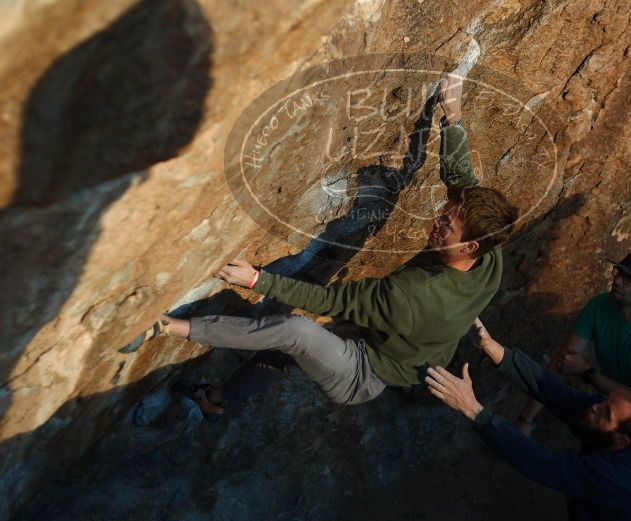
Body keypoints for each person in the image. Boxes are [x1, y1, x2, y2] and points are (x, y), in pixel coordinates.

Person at [122, 73, 518, 413]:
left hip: (364, 375)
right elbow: (461, 181)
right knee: (288, 349)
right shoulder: (489, 249)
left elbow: (334, 301)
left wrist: (259, 281)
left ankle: (166, 326)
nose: (437, 220)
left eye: (447, 225)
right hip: (394, 344)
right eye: (444, 213)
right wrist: (452, 116)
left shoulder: (415, 294)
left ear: (469, 247)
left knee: (297, 333)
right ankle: (218, 400)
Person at [426, 318, 631, 521]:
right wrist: (493, 348)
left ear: (621, 440)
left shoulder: (614, 476)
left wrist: (472, 409)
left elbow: (539, 461)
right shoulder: (619, 430)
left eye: (606, 412)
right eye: (605, 400)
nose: (596, 405)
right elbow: (555, 392)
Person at [517, 250, 631, 521]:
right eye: (619, 272)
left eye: (630, 279)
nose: (618, 281)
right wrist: (526, 419)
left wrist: (587, 372)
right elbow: (563, 362)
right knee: (590, 480)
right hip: (610, 408)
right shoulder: (599, 306)